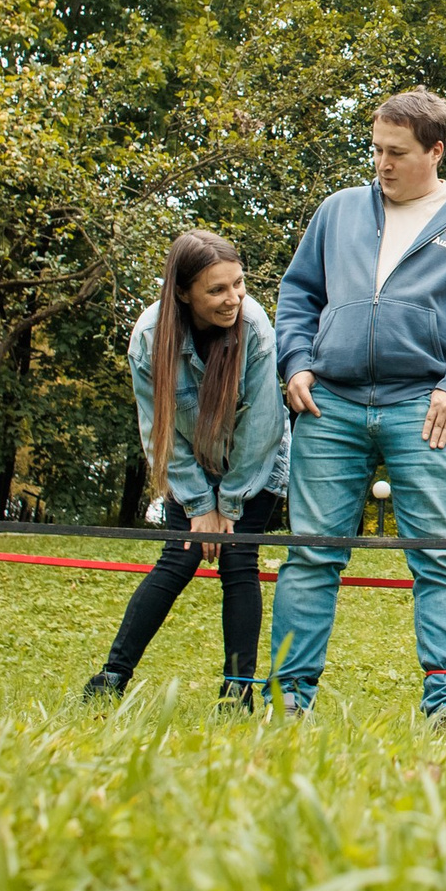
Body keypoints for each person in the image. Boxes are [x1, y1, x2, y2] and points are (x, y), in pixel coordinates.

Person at [269, 87, 446, 727]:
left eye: (397, 153)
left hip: (426, 405)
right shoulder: (338, 210)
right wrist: (294, 362)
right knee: (311, 554)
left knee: (439, 556)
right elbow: (297, 293)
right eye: (376, 149)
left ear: (435, 151)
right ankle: (288, 700)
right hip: (331, 405)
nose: (381, 163)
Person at [83, 229, 290, 706]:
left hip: (254, 463)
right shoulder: (149, 338)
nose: (233, 298)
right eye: (217, 290)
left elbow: (262, 428)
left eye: (238, 283)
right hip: (189, 460)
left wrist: (229, 505)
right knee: (180, 556)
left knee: (238, 560)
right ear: (182, 292)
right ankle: (111, 679)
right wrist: (199, 504)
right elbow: (159, 431)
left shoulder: (255, 328)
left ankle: (237, 693)